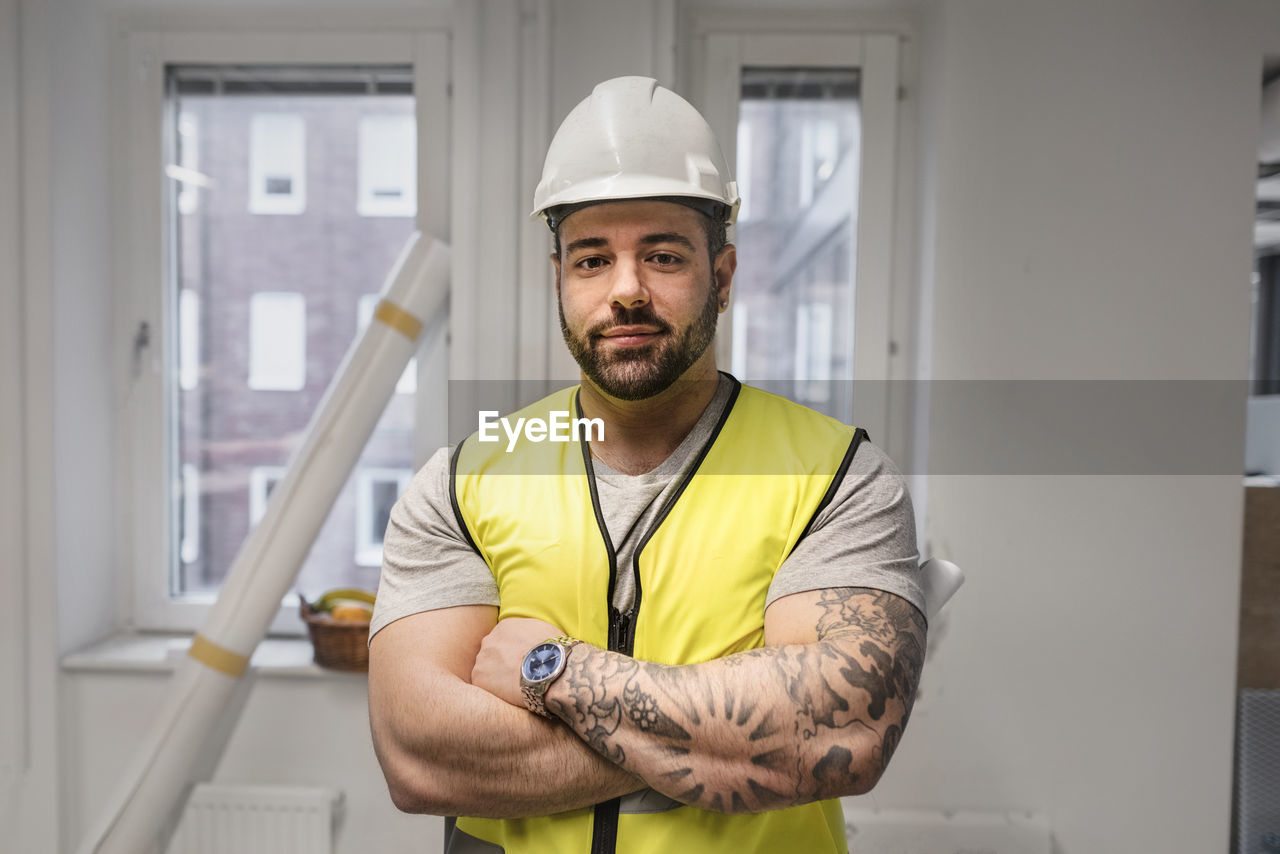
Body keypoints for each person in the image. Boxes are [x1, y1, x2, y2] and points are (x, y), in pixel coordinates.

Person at [368, 76, 926, 854]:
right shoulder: (462, 484)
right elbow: (416, 758)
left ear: (721, 278)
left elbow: (844, 733)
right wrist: (727, 733)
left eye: (662, 256)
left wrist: (551, 672)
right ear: (558, 278)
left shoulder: (837, 479)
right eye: (592, 260)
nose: (626, 290)